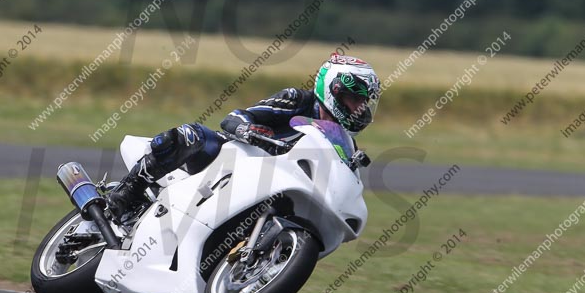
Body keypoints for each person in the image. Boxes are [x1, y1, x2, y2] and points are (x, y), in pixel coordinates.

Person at [105, 53, 381, 221]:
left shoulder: (343, 141)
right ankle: (129, 189)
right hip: (233, 161)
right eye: (353, 98)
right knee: (194, 135)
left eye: (362, 102)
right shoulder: (296, 100)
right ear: (332, 90)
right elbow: (235, 118)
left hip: (273, 186)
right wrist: (249, 130)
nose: (358, 108)